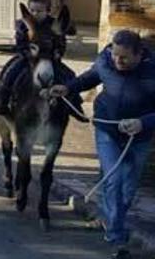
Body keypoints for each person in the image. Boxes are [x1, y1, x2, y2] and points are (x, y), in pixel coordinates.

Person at [50, 30, 155, 259]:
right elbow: (89, 77)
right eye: (115, 55)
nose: (118, 61)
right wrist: (67, 88)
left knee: (128, 187)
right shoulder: (106, 60)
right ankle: (116, 236)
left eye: (124, 57)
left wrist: (143, 123)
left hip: (139, 136)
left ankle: (108, 217)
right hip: (107, 129)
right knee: (113, 178)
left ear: (139, 54)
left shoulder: (152, 68)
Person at [0, 0, 76, 115]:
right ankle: (2, 101)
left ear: (48, 11)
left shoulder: (54, 24)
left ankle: (75, 105)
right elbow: (20, 44)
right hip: (27, 58)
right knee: (10, 73)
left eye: (39, 11)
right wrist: (28, 55)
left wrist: (57, 54)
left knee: (69, 75)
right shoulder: (22, 24)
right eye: (32, 10)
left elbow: (61, 43)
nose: (35, 14)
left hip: (49, 59)